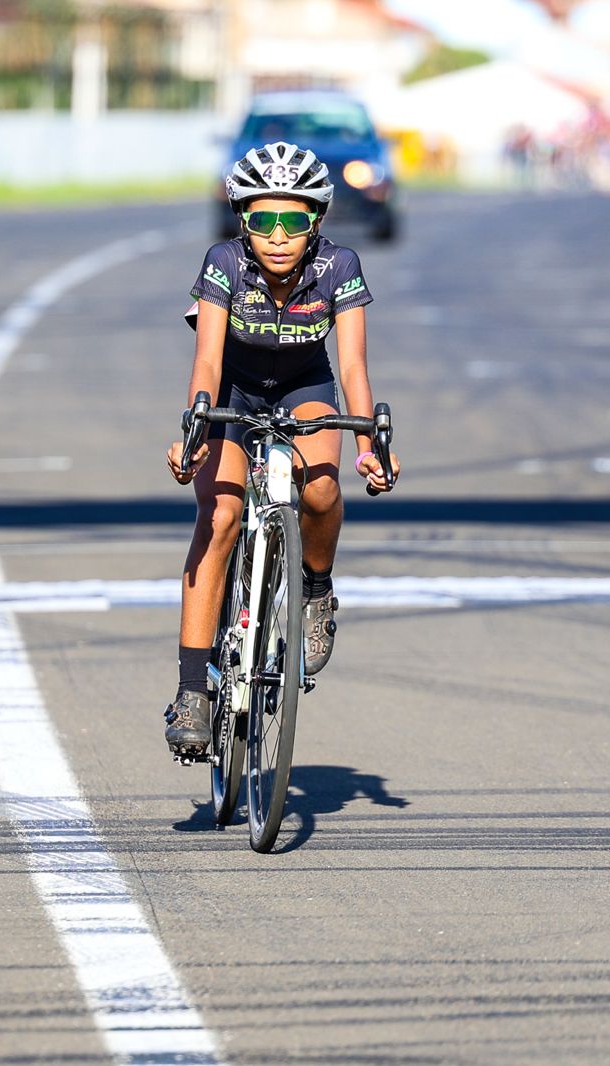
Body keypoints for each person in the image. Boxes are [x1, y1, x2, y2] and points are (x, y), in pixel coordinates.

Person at [162, 141, 400, 758]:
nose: (276, 235)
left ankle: (316, 588)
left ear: (316, 222)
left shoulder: (339, 266)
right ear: (243, 221)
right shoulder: (224, 263)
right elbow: (208, 359)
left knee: (321, 487)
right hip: (234, 392)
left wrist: (371, 441)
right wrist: (194, 426)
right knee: (218, 517)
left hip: (305, 386)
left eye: (292, 220)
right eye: (262, 219)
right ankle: (193, 691)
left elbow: (351, 362)